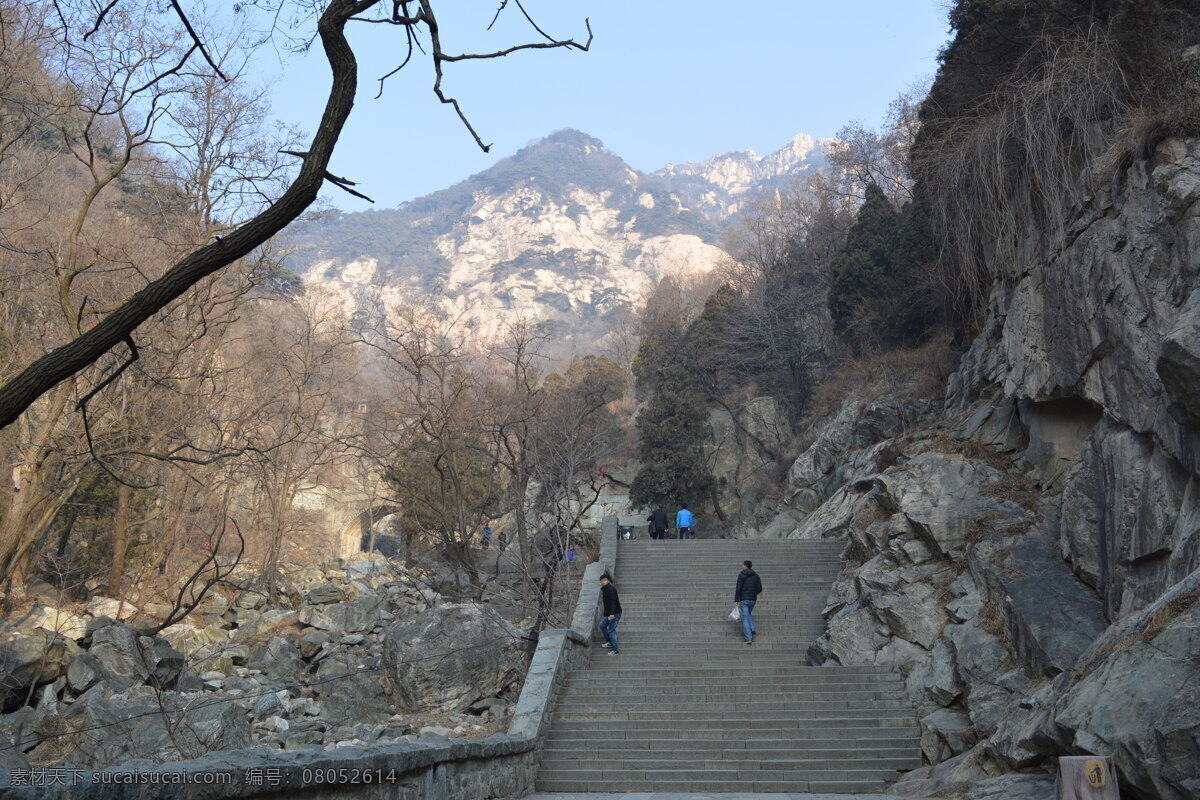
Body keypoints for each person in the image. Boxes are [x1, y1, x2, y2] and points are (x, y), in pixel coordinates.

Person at [734, 559, 762, 644]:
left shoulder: (741, 575)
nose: (742, 566)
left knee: (745, 618)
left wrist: (736, 600)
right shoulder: (756, 575)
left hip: (744, 599)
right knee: (748, 613)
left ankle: (748, 638)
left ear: (745, 566)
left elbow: (738, 588)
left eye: (743, 565)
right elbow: (760, 589)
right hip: (752, 600)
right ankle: (752, 627)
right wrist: (753, 594)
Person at [599, 573, 622, 655]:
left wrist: (612, 613)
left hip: (614, 613)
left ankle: (615, 650)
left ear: (608, 580)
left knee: (611, 630)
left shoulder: (610, 589)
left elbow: (613, 602)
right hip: (609, 614)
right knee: (602, 625)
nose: (603, 581)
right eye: (602, 580)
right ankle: (609, 642)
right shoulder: (605, 589)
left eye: (605, 580)